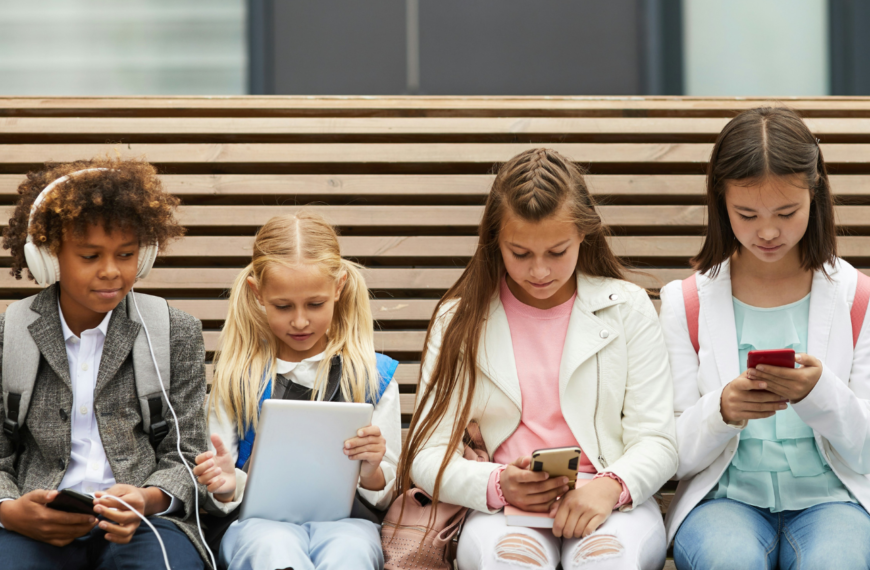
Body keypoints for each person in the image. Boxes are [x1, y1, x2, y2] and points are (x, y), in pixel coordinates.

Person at [397, 148, 678, 570]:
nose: (540, 271)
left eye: (557, 252)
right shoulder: (459, 319)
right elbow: (426, 453)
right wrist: (497, 483)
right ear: (495, 241)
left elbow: (657, 439)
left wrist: (610, 486)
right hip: (503, 508)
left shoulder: (628, 308)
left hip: (609, 503)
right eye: (521, 253)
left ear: (584, 234)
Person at [660, 107, 870, 569]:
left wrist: (819, 393)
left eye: (787, 211)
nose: (769, 231)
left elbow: (866, 449)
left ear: (815, 195)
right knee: (727, 560)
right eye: (747, 214)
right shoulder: (686, 302)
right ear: (721, 203)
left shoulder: (858, 297)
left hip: (835, 501)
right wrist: (723, 410)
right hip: (724, 503)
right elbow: (669, 452)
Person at [0, 160, 212, 569]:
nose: (111, 271)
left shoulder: (173, 332)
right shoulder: (9, 336)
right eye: (90, 255)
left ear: (145, 256)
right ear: (47, 257)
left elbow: (187, 454)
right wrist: (9, 509)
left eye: (127, 254)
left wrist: (148, 498)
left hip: (144, 523)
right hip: (34, 522)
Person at [194, 212, 400, 570]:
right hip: (254, 523)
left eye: (315, 304)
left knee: (352, 550)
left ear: (339, 287)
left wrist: (370, 468)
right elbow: (222, 486)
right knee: (272, 547)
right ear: (258, 294)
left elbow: (385, 492)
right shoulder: (239, 376)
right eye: (283, 306)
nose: (301, 321)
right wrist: (226, 483)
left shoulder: (372, 376)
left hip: (346, 521)